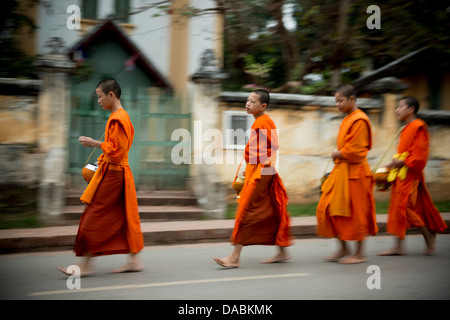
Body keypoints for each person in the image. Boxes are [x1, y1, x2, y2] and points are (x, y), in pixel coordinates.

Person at [58, 78, 144, 276]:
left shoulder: (119, 118)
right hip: (116, 172)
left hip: (114, 175)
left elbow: (118, 151)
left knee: (92, 215)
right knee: (124, 217)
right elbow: (115, 149)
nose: (98, 101)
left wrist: (94, 143)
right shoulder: (119, 117)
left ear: (111, 95)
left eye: (100, 96)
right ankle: (134, 260)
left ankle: (86, 266)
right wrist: (101, 158)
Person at [213, 89, 292, 268]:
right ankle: (282, 251)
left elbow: (261, 153)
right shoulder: (264, 121)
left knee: (246, 211)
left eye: (252, 101)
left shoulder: (262, 123)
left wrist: (252, 166)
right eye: (247, 100)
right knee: (271, 210)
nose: (248, 103)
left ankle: (234, 257)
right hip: (264, 170)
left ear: (263, 105)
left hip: (260, 173)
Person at [316, 84, 378, 264]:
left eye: (340, 100)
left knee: (356, 213)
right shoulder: (348, 119)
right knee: (327, 208)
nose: (338, 104)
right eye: (336, 101)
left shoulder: (359, 119)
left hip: (356, 174)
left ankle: (359, 253)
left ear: (352, 99)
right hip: (341, 172)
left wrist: (338, 154)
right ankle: (343, 248)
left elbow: (357, 151)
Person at [378, 96, 447, 256]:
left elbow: (420, 156)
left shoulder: (419, 127)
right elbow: (404, 154)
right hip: (400, 175)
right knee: (397, 209)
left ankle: (428, 234)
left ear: (411, 109)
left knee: (406, 208)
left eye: (400, 106)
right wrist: (392, 164)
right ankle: (398, 247)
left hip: (411, 176)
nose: (397, 109)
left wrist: (401, 163)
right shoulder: (405, 128)